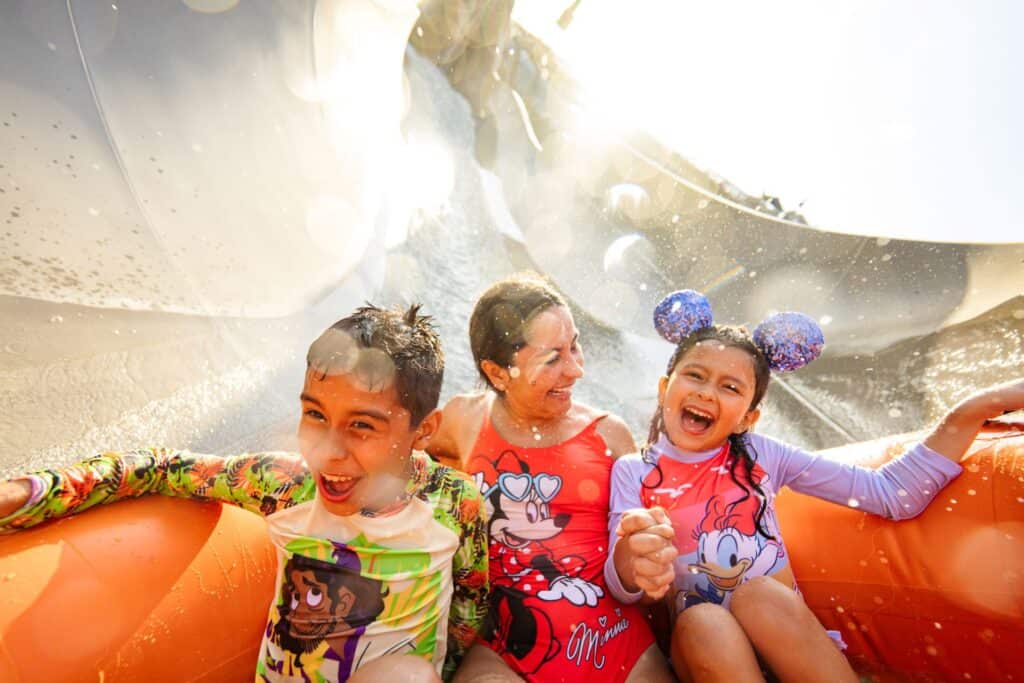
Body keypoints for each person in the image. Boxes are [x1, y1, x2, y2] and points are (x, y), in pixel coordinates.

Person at [0, 304, 489, 683]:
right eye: (315, 415)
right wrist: (31, 492)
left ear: (424, 431)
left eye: (362, 426)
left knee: (406, 675)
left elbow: (469, 604)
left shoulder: (452, 503)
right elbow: (163, 467)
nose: (327, 449)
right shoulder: (286, 485)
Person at [606, 289, 1024, 682]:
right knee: (704, 620)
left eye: (730, 387)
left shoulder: (761, 456)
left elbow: (889, 494)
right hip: (704, 653)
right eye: (695, 375)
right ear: (665, 388)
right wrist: (635, 560)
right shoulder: (633, 471)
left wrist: (971, 411)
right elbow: (621, 586)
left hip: (785, 635)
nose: (707, 393)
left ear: (748, 417)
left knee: (759, 596)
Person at [427, 273, 674, 682]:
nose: (576, 370)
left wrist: (648, 553)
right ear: (498, 372)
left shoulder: (608, 436)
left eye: (575, 345)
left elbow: (637, 559)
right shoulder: (461, 421)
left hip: (616, 643)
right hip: (504, 649)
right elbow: (397, 463)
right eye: (553, 358)